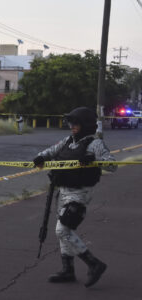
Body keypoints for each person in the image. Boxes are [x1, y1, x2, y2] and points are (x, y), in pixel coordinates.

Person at [33, 107, 116, 287]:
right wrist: (40, 157)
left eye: (75, 123)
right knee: (64, 233)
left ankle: (94, 264)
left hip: (79, 194)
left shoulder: (95, 144)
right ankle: (67, 270)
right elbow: (50, 151)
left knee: (62, 230)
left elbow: (113, 166)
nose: (72, 126)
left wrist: (93, 161)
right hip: (62, 191)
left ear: (85, 124)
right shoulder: (67, 141)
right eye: (70, 123)